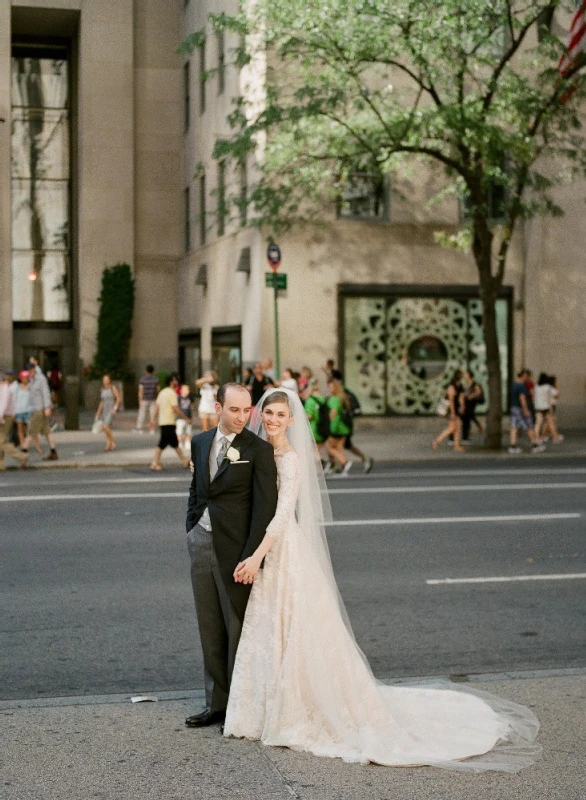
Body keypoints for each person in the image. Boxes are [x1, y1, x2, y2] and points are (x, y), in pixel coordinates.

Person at [221, 387, 541, 770]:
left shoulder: (289, 460)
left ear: (291, 421)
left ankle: (293, 711)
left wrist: (256, 556)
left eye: (279, 415)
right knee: (271, 629)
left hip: (282, 549)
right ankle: (260, 709)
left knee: (295, 630)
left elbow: (280, 515)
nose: (272, 420)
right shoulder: (257, 450)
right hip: (267, 550)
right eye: (267, 413)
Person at [184, 383, 278, 728]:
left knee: (237, 630)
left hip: (237, 553)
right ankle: (216, 705)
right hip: (201, 544)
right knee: (209, 627)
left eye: (247, 410)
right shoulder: (200, 442)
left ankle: (239, 709)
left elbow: (264, 510)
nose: (242, 417)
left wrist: (252, 557)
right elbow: (197, 490)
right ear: (219, 407)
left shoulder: (259, 450)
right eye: (234, 410)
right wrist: (191, 527)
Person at [150, 375, 190, 471]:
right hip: (169, 421)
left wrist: (153, 420)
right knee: (163, 443)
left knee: (174, 443)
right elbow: (175, 408)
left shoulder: (162, 392)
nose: (176, 382)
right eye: (174, 380)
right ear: (171, 382)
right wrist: (185, 418)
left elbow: (157, 406)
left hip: (163, 421)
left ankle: (184, 461)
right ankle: (154, 463)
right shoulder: (172, 394)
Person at [22, 362, 58, 460]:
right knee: (47, 432)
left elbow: (45, 393)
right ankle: (53, 452)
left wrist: (47, 407)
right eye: (28, 371)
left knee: (31, 432)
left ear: (35, 369)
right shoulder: (31, 381)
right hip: (35, 409)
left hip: (40, 410)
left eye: (31, 370)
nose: (30, 372)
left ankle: (22, 454)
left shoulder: (41, 379)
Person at [508, 369, 545, 454]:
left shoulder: (514, 385)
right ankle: (534, 444)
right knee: (529, 425)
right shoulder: (521, 386)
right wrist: (525, 410)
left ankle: (512, 446)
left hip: (514, 408)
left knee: (514, 426)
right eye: (527, 377)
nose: (528, 379)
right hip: (520, 409)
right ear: (524, 375)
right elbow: (522, 398)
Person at [0, 371, 28, 469]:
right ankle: (1, 464)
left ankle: (22, 457)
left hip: (6, 417)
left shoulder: (5, 390)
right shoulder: (3, 389)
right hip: (5, 416)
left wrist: (0, 416)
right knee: (1, 441)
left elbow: (3, 404)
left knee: (1, 441)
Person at [326, 372, 353, 475]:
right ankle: (343, 467)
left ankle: (344, 463)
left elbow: (332, 414)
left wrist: (326, 424)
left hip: (334, 427)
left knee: (330, 447)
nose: (329, 388)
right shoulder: (340, 398)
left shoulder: (334, 399)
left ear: (335, 387)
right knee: (339, 448)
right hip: (342, 427)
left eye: (330, 386)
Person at [432, 371, 465, 453]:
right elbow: (451, 401)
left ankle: (456, 446)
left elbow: (461, 396)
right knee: (452, 428)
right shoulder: (451, 387)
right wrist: (453, 413)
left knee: (457, 427)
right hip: (451, 410)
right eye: (462, 375)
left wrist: (462, 406)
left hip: (456, 410)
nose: (463, 376)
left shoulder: (459, 385)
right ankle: (437, 441)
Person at [303, 378, 328, 461]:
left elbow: (309, 416)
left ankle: (322, 462)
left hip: (313, 428)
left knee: (311, 448)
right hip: (323, 426)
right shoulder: (323, 398)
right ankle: (326, 462)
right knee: (316, 448)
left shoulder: (310, 400)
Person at [95, 374, 121, 452]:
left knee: (106, 426)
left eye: (107, 379)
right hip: (104, 410)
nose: (105, 381)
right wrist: (98, 412)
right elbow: (102, 402)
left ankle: (112, 442)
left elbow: (118, 398)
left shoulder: (113, 388)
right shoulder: (102, 389)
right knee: (106, 428)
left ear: (110, 380)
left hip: (111, 410)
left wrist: (115, 407)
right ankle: (108, 444)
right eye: (104, 379)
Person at [461, 370, 484, 443]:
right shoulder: (467, 384)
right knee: (468, 418)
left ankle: (466, 436)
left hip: (471, 403)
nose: (464, 376)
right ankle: (467, 435)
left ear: (469, 376)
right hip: (467, 403)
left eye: (466, 374)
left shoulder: (474, 384)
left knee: (469, 417)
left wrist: (471, 396)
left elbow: (479, 392)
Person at [135, 365, 159, 434]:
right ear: (153, 371)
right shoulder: (156, 380)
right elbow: (158, 389)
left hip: (144, 399)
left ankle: (140, 428)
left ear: (146, 371)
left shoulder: (142, 380)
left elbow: (140, 390)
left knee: (142, 414)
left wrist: (139, 400)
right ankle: (152, 429)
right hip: (153, 398)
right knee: (153, 414)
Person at [13, 370, 32, 447]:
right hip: (19, 411)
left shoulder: (31, 387)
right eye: (23, 378)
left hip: (28, 411)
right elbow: (14, 399)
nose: (25, 379)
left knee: (30, 429)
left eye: (26, 378)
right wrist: (13, 411)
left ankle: (27, 443)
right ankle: (23, 445)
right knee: (20, 430)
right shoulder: (16, 387)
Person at [177, 384, 194, 449]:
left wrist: (191, 408)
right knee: (179, 431)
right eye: (186, 389)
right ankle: (180, 442)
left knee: (188, 430)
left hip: (189, 417)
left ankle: (187, 442)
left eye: (188, 389)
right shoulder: (178, 398)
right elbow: (177, 408)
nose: (188, 391)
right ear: (181, 390)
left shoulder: (190, 397)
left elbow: (192, 405)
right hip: (180, 418)